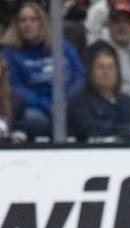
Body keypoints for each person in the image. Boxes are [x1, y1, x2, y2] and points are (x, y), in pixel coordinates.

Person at [0, 1, 84, 139]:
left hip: (68, 104)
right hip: (36, 108)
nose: (28, 24)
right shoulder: (10, 54)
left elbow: (79, 77)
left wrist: (65, 103)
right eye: (23, 20)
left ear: (42, 22)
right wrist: (49, 105)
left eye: (33, 19)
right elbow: (16, 89)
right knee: (32, 119)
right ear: (16, 25)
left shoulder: (63, 47)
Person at [68, 41, 130, 142]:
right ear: (90, 71)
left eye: (111, 68)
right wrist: (125, 131)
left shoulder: (129, 103)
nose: (106, 72)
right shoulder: (79, 102)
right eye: (101, 68)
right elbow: (88, 129)